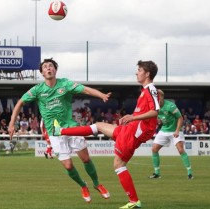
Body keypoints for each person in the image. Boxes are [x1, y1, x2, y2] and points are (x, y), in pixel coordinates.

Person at [53, 60, 159, 209]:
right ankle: (61, 131)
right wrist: (132, 118)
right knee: (99, 126)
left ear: (147, 73)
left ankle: (134, 201)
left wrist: (132, 117)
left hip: (133, 132)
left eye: (140, 70)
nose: (137, 72)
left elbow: (155, 112)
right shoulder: (147, 90)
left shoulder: (150, 89)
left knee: (118, 164)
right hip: (131, 129)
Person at [8, 58, 110, 203]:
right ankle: (83, 185)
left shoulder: (65, 84)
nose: (48, 68)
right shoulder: (37, 90)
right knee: (68, 166)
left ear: (55, 70)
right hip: (55, 133)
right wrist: (12, 124)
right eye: (45, 67)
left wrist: (101, 95)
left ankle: (97, 184)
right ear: (42, 73)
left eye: (51, 66)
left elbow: (85, 89)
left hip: (71, 128)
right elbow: (19, 103)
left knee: (86, 159)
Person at [149, 89, 193, 180]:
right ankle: (157, 173)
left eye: (158, 96)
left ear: (162, 97)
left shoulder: (170, 106)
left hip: (175, 131)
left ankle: (189, 173)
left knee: (180, 150)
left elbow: (180, 118)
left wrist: (177, 130)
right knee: (154, 149)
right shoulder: (154, 106)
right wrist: (159, 121)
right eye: (155, 97)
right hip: (164, 130)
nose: (156, 98)